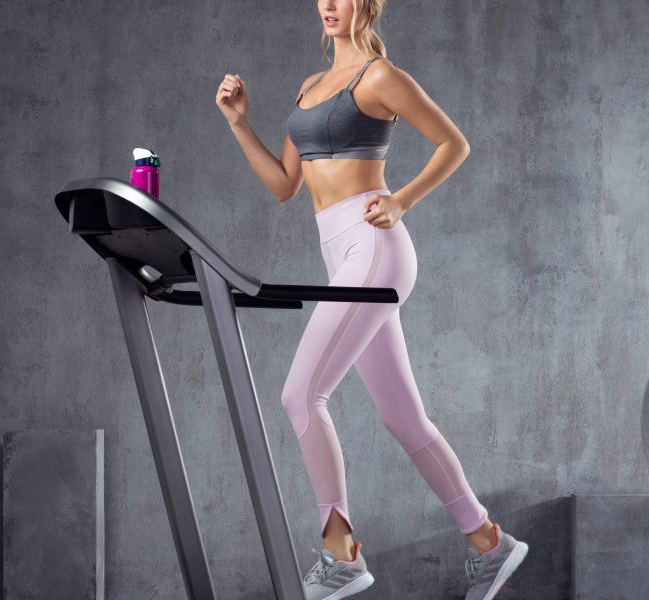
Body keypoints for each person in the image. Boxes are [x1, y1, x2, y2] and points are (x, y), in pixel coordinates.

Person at [214, 1, 528, 598]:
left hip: (374, 246)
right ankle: (489, 541)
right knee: (402, 416)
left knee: (301, 394)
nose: (328, 4)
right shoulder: (311, 86)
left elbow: (453, 144)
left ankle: (341, 553)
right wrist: (237, 122)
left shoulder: (380, 77)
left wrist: (403, 199)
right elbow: (284, 185)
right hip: (339, 253)